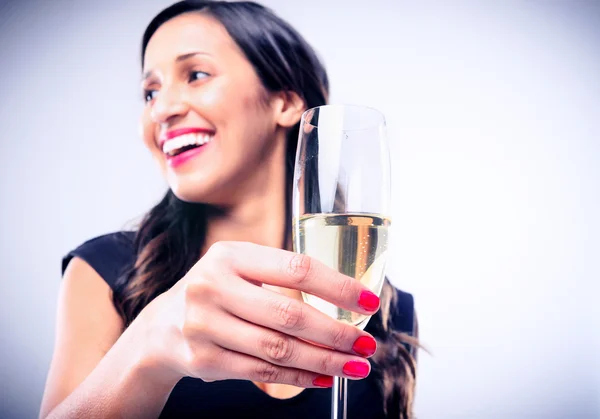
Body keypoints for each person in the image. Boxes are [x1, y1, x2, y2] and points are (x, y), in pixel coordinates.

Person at [39, 1, 418, 418]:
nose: (161, 110)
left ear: (285, 102)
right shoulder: (105, 273)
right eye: (151, 92)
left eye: (196, 75)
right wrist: (149, 342)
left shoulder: (387, 311)